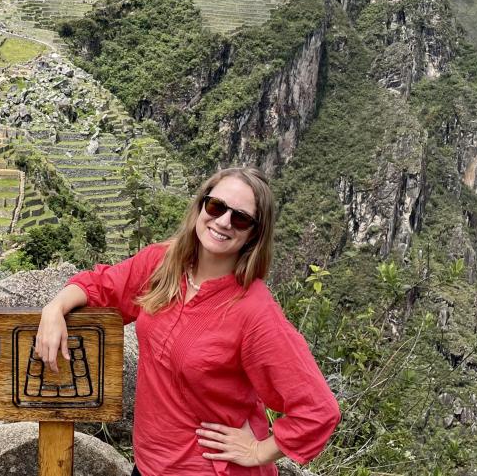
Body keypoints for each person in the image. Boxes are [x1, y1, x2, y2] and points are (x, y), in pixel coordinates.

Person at [35, 167, 340, 476]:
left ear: (254, 234)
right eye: (217, 206)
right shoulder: (163, 263)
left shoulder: (254, 310)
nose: (223, 222)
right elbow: (103, 285)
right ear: (201, 206)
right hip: (150, 465)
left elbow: (318, 409)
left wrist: (259, 450)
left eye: (240, 218)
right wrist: (55, 308)